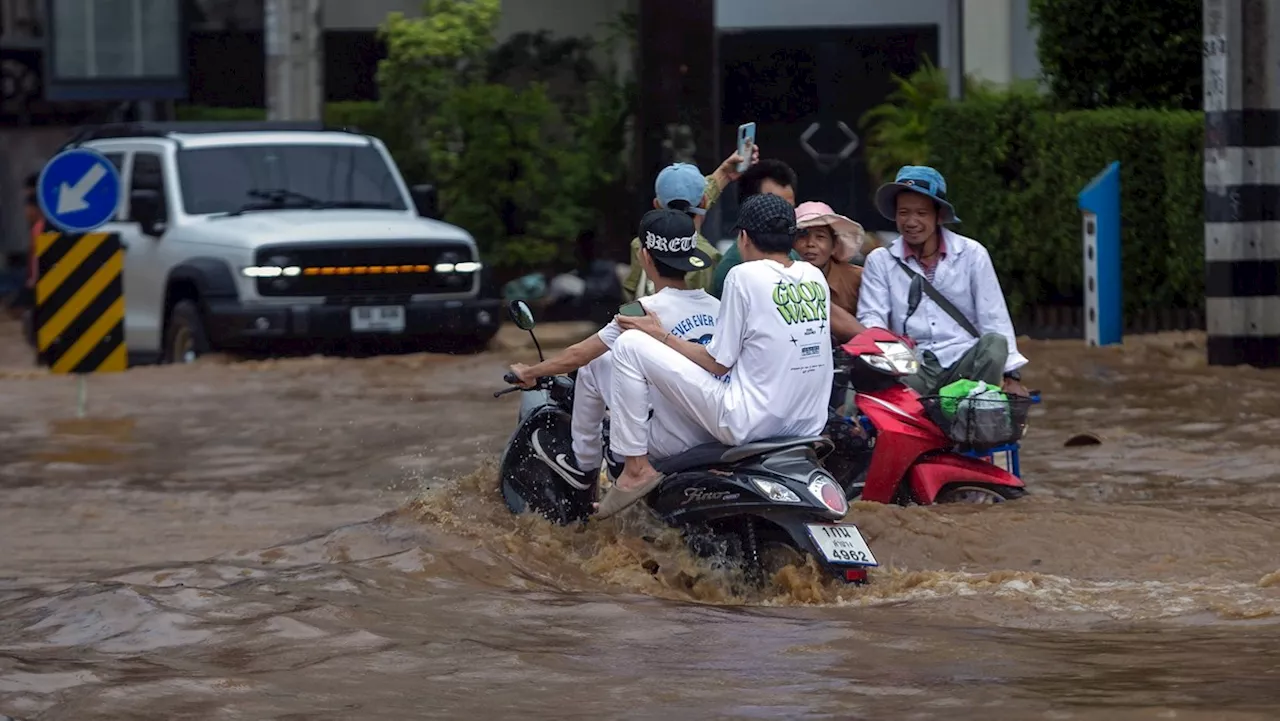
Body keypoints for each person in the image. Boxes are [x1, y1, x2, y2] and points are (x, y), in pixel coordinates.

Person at [595, 193, 834, 519]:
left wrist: (659, 334)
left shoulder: (743, 275)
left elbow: (717, 361)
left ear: (745, 238)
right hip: (808, 426)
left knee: (629, 345)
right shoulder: (815, 277)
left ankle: (636, 467)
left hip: (749, 423)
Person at [508, 209, 723, 483]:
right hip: (716, 435)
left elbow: (578, 354)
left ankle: (584, 464)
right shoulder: (718, 307)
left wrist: (531, 372)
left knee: (595, 362)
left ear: (644, 256)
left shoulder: (642, 310)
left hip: (671, 443)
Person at [857, 165, 1029, 397]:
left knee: (995, 343)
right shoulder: (880, 260)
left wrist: (1012, 376)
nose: (911, 221)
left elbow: (994, 317)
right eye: (904, 212)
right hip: (911, 365)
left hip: (963, 362)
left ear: (938, 216)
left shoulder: (972, 253)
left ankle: (976, 403)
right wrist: (896, 359)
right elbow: (871, 318)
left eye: (921, 213)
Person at [621, 145, 760, 301]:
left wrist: (723, 174)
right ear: (703, 203)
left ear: (657, 205)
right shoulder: (707, 256)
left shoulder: (640, 244)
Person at [707, 159, 799, 299]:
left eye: (789, 208)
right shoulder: (731, 273)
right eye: (774, 207)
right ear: (749, 207)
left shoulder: (797, 260)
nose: (784, 216)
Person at [793, 201, 865, 317]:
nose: (810, 243)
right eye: (802, 236)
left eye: (820, 237)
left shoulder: (858, 279)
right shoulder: (780, 279)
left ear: (835, 245)